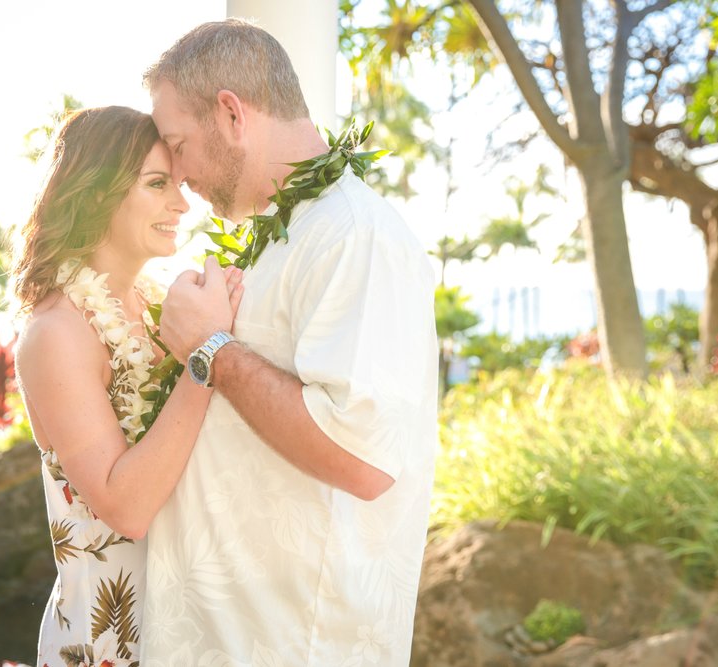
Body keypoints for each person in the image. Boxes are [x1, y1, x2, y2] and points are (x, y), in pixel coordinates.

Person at [140, 19, 439, 666]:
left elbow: (360, 455)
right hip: (232, 637)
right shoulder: (290, 234)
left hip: (292, 644)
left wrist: (210, 346)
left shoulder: (356, 235)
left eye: (178, 144)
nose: (178, 172)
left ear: (230, 114)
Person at [9, 105, 243, 667]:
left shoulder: (165, 307)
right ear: (95, 194)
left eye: (179, 184)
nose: (182, 204)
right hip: (108, 638)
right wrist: (207, 353)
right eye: (158, 184)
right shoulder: (57, 332)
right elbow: (126, 507)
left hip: (191, 626)